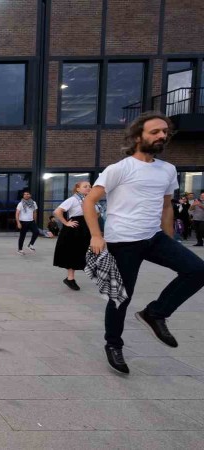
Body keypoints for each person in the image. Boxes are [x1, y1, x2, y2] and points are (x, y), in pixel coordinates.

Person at [83, 112, 204, 374]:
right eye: (155, 132)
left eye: (165, 132)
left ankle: (155, 313)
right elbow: (89, 201)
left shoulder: (167, 170)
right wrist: (96, 235)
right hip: (123, 241)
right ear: (138, 136)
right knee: (120, 298)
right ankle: (113, 344)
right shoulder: (119, 169)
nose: (162, 136)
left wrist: (170, 239)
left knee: (197, 270)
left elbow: (166, 206)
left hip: (154, 237)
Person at [53, 181, 92, 291]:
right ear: (78, 189)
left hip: (87, 227)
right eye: (85, 186)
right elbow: (57, 211)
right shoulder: (73, 199)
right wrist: (66, 223)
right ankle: (70, 279)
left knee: (89, 251)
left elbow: (96, 213)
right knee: (73, 252)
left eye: (90, 186)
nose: (88, 188)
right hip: (75, 229)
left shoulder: (90, 200)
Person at [15, 190, 38, 255]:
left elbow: (34, 212)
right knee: (22, 236)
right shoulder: (20, 203)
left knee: (36, 232)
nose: (26, 195)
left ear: (30, 195)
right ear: (23, 196)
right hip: (23, 222)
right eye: (25, 194)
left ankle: (30, 245)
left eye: (27, 194)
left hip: (31, 221)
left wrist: (35, 221)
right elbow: (17, 213)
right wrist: (18, 223)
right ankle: (20, 250)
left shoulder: (33, 203)